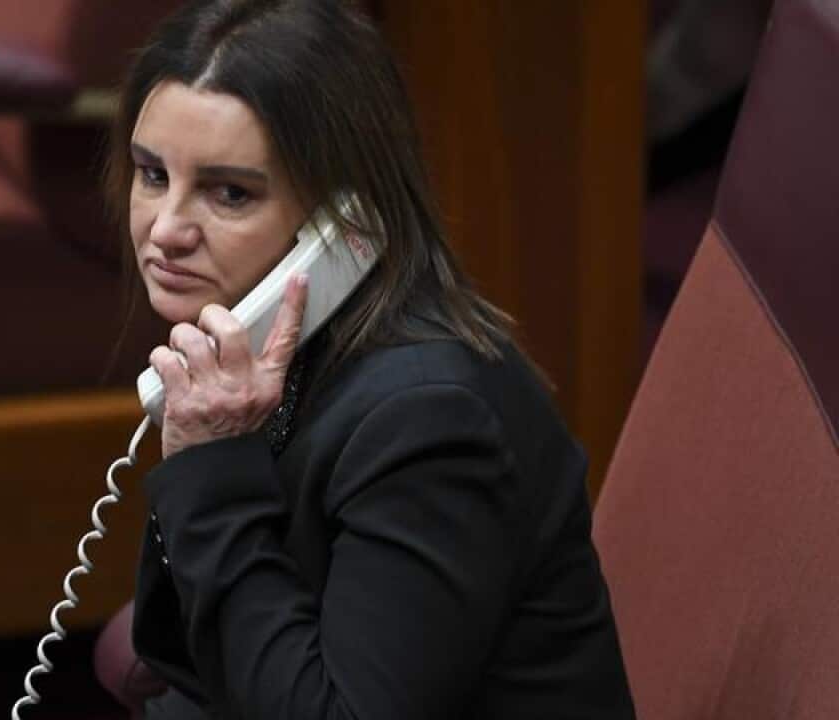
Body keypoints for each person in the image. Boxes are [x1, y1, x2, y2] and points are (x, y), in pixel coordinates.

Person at [102, 0, 636, 717]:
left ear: (343, 220)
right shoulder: (263, 357)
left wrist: (209, 468)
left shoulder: (430, 422)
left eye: (229, 193)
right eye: (153, 174)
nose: (165, 230)